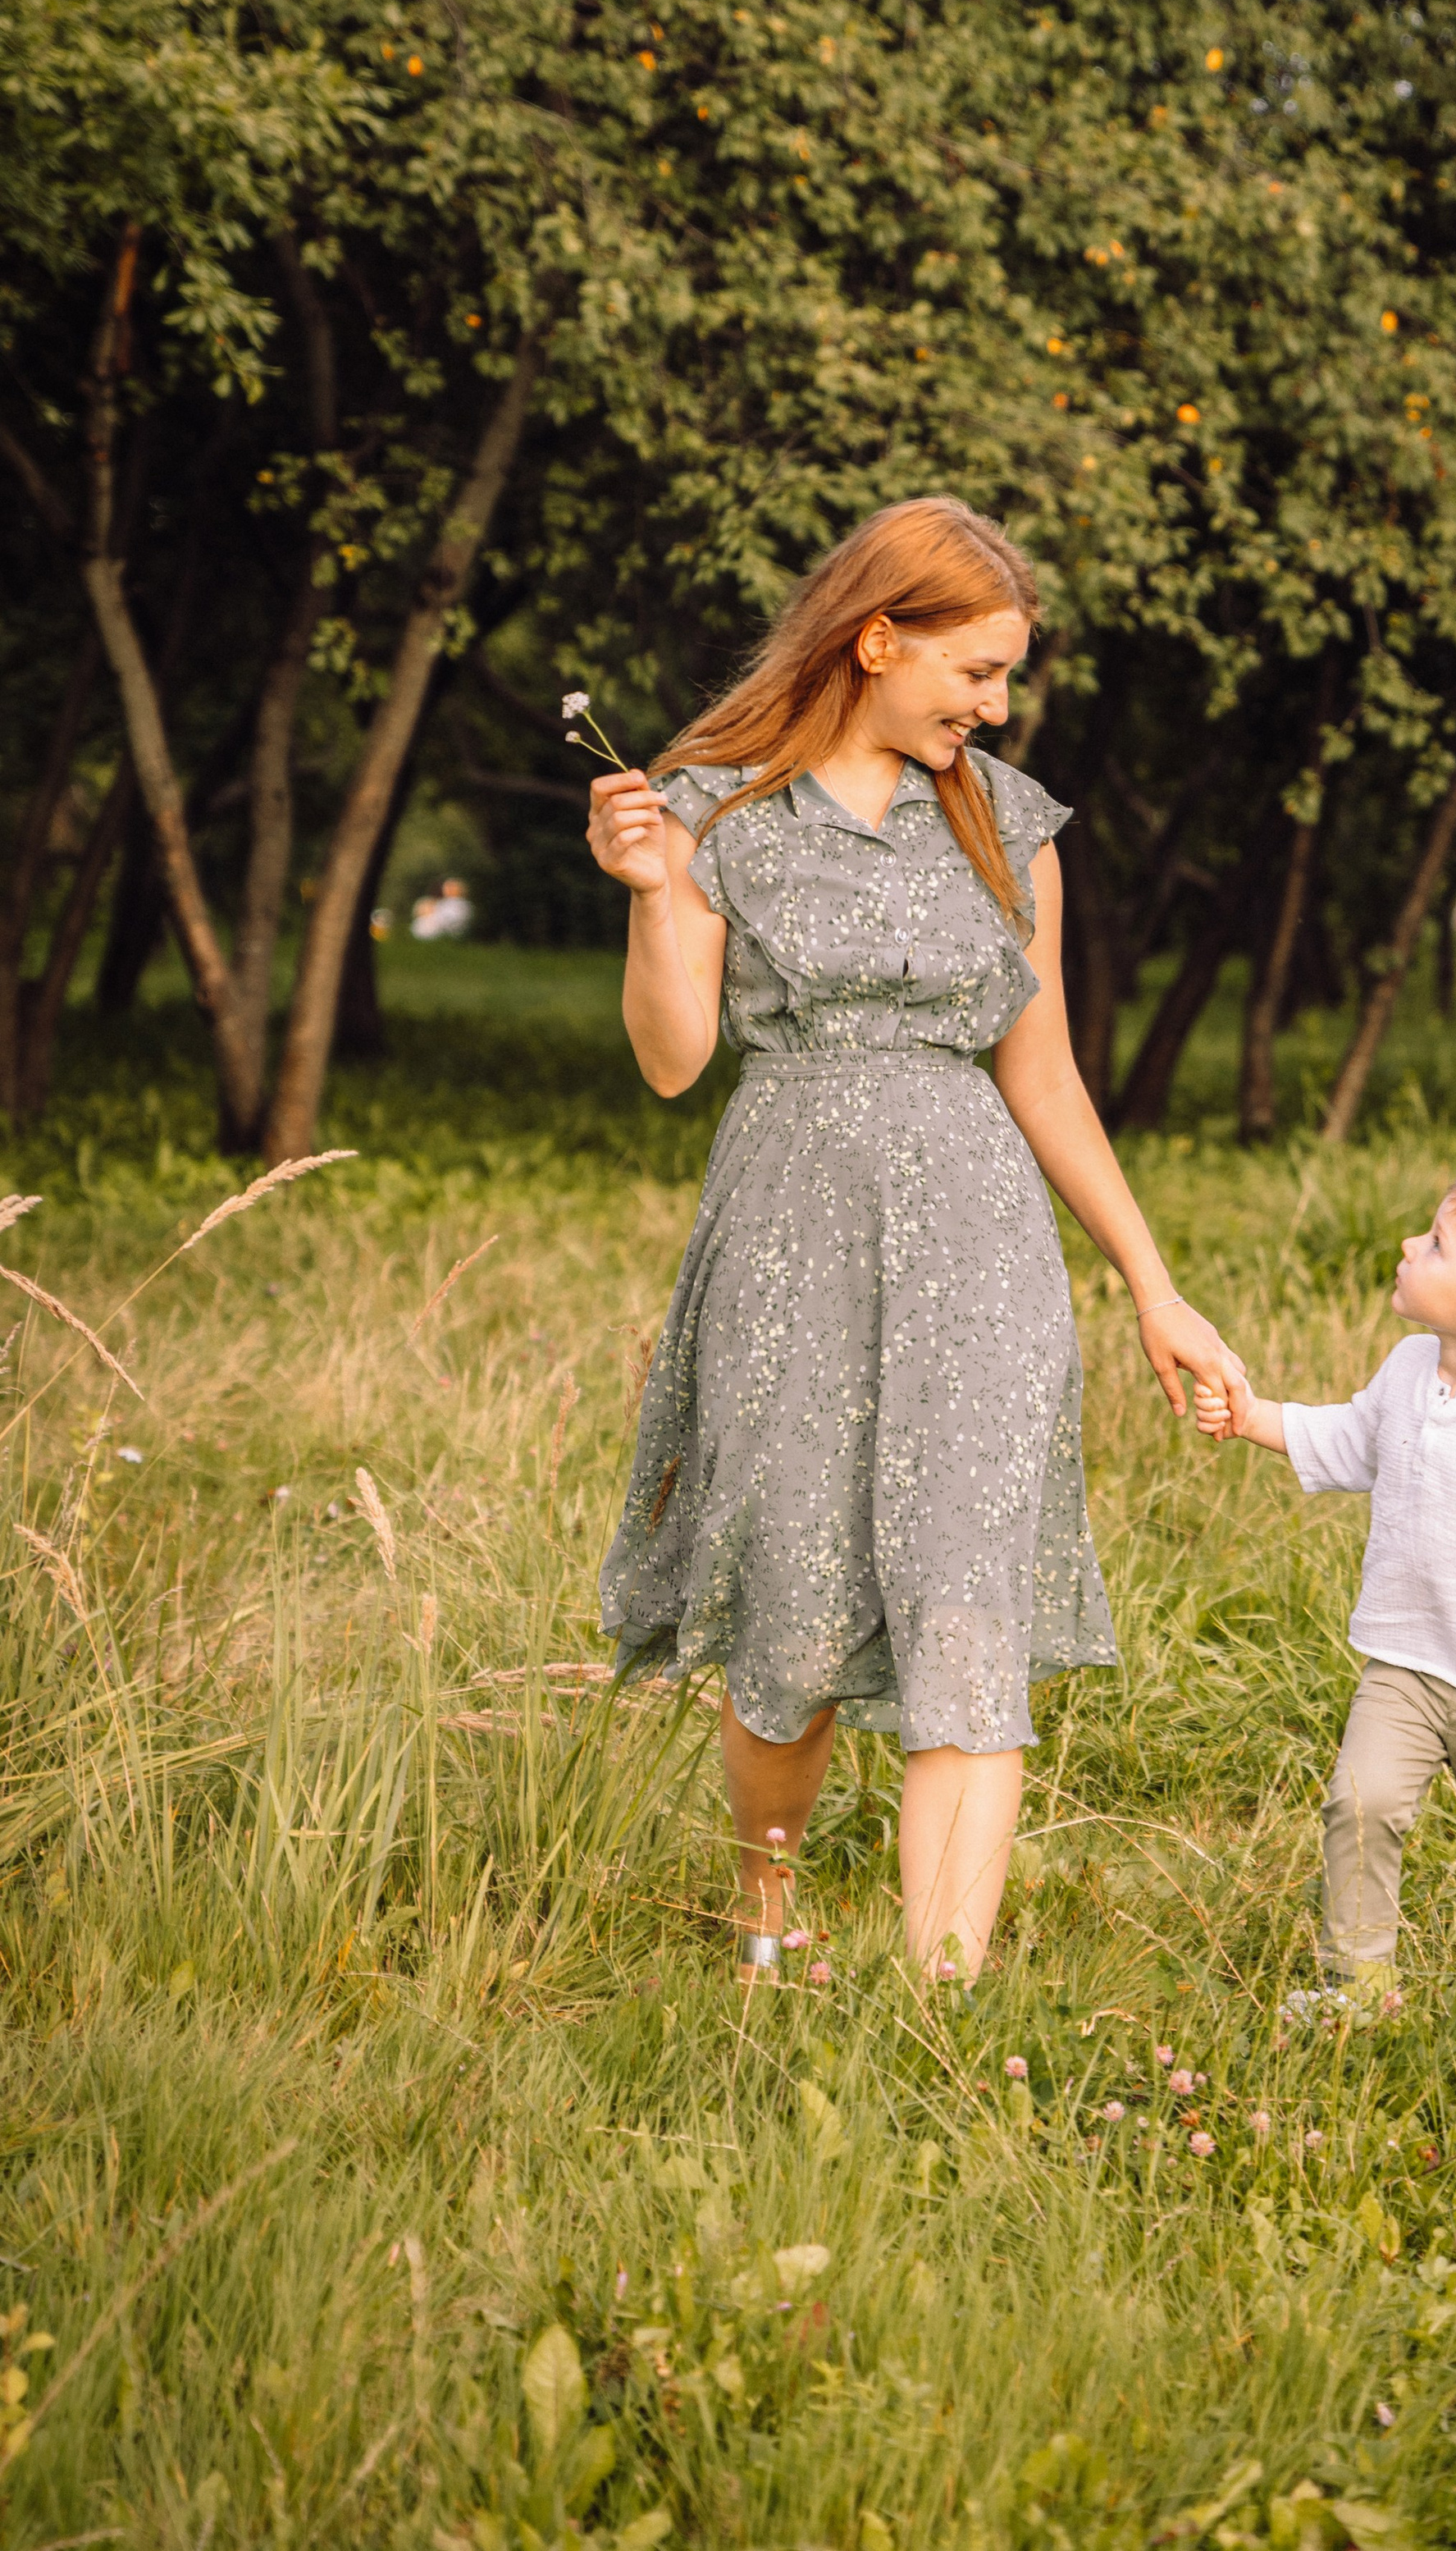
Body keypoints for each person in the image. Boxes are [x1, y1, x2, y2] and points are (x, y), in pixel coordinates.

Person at [586, 496, 1242, 1986]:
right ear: (880, 639)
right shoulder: (709, 810)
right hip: (788, 1239)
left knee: (968, 1598)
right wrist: (646, 902)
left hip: (983, 1250)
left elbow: (1045, 1068)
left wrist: (1154, 1283)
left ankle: (939, 2007)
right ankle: (766, 1903)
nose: (996, 706)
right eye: (978, 672)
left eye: (1006, 680)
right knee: (792, 1597)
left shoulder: (1009, 823)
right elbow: (676, 1058)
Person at [1194, 1164, 1456, 2002]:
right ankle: (1356, 1992)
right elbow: (1353, 1440)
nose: (1405, 1246)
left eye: (1432, 1244)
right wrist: (1252, 1418)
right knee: (1359, 1805)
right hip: (1405, 1667)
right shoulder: (1406, 1368)